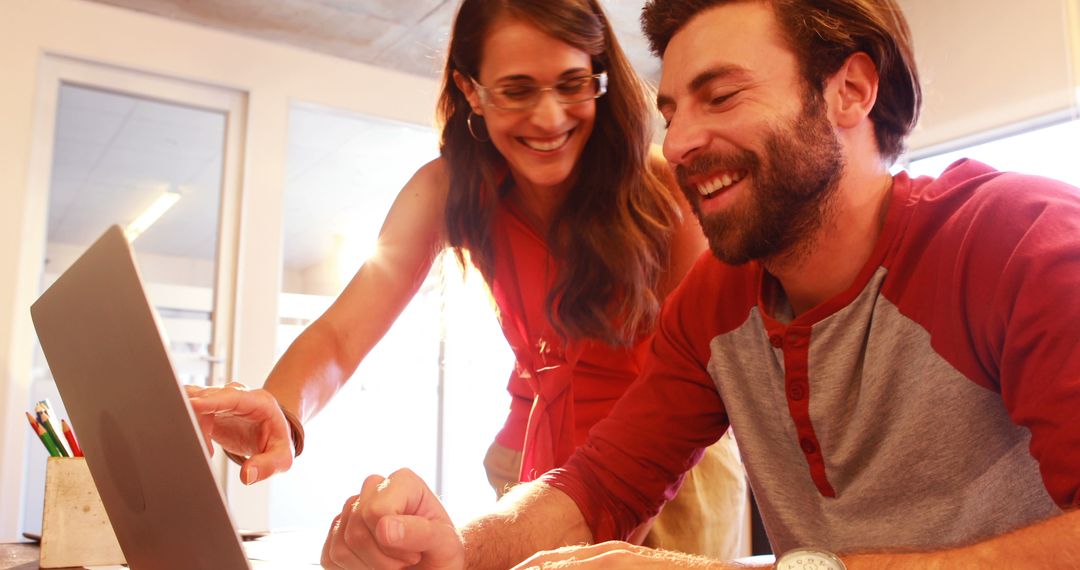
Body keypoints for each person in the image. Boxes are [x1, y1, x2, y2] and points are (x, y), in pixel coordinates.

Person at [318, 0, 1080, 568]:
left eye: (721, 96)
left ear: (850, 89)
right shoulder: (715, 304)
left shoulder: (1016, 239)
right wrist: (452, 547)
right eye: (672, 110)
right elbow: (596, 490)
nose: (677, 143)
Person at [185, 0, 750, 562]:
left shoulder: (663, 190)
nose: (550, 117)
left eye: (572, 84)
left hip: (668, 467)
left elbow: (685, 380)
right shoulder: (447, 189)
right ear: (471, 89)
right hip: (531, 456)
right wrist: (280, 412)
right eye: (517, 90)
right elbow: (341, 335)